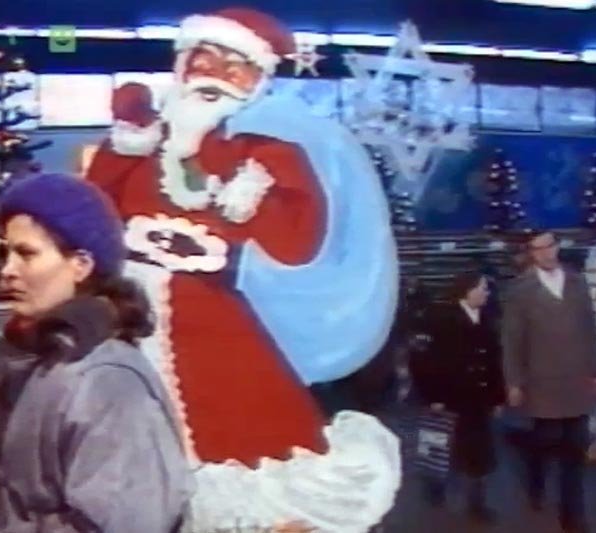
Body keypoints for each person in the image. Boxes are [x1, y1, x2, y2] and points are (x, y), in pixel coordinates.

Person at [84, 7, 400, 531]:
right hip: (127, 319)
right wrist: (125, 144)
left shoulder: (261, 158)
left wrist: (259, 195)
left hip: (214, 325)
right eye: (203, 60)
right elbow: (94, 211)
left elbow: (297, 246)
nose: (213, 76)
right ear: (183, 65)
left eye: (235, 69)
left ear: (256, 83)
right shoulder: (138, 145)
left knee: (241, 451)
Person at [0, 173, 193, 533]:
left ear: (81, 264)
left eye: (26, 254)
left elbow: (130, 522)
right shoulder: (41, 363)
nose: (8, 271)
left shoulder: (106, 381)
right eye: (6, 253)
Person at [502, 230, 596, 533]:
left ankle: (572, 516)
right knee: (546, 441)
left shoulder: (577, 283)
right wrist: (514, 381)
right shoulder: (519, 291)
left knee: (574, 451)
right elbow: (512, 340)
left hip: (576, 381)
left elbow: (591, 330)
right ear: (531, 254)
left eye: (549, 246)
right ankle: (534, 477)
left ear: (557, 247)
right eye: (538, 249)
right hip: (541, 382)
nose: (546, 253)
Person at [411, 272, 506, 523]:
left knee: (479, 455)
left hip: (478, 400)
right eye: (484, 289)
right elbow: (421, 361)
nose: (487, 293)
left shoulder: (488, 318)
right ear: (468, 290)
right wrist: (432, 396)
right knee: (440, 447)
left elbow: (494, 360)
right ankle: (434, 489)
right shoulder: (439, 318)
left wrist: (498, 397)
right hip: (448, 399)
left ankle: (477, 505)